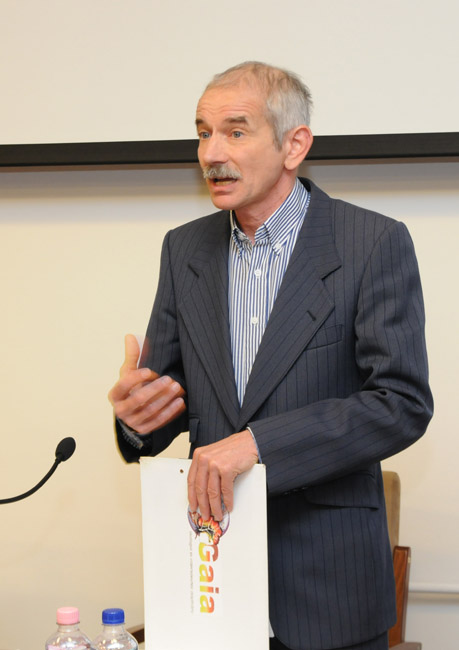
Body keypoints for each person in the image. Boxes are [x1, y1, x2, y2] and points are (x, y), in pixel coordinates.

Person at [108, 62, 433, 650]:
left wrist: (258, 444)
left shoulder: (372, 243)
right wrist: (137, 420)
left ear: (294, 145)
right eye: (203, 133)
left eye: (235, 131)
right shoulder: (183, 250)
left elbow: (401, 404)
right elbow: (170, 397)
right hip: (212, 584)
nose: (211, 153)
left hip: (328, 591)